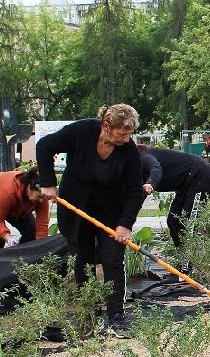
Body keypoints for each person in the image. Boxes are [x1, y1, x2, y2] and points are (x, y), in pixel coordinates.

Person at [35, 104, 144, 334]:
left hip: (111, 214)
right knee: (82, 260)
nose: (126, 139)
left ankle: (116, 316)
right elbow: (45, 146)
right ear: (106, 126)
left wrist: (125, 225)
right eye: (122, 134)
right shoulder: (82, 132)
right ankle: (89, 314)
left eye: (129, 134)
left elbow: (135, 190)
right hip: (76, 209)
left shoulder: (129, 151)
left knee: (112, 259)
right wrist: (48, 182)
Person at [139, 144, 210, 248]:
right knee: (173, 221)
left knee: (188, 222)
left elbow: (156, 168)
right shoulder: (132, 170)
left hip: (201, 175)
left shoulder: (144, 157)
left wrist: (151, 184)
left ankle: (189, 260)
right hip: (186, 183)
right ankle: (182, 258)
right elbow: (138, 196)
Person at [0, 167, 50, 250]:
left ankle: (21, 259)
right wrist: (7, 236)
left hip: (16, 206)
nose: (41, 200)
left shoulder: (42, 196)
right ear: (29, 187)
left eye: (43, 197)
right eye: (39, 196)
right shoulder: (9, 191)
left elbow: (42, 226)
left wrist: (42, 247)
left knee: (31, 232)